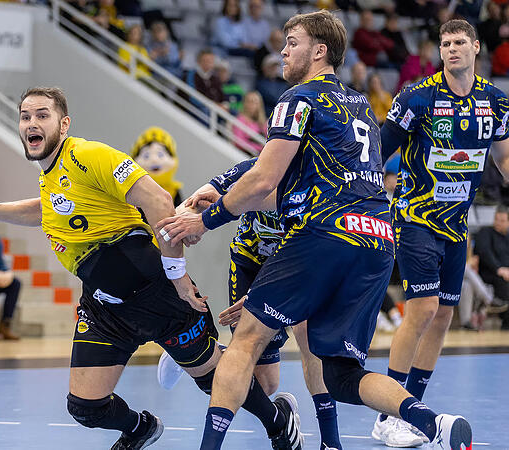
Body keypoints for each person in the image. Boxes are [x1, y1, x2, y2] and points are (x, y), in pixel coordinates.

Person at [157, 11, 474, 449]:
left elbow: (263, 179)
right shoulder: (359, 102)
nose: (282, 51)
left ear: (319, 51)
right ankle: (432, 423)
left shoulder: (298, 98)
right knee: (341, 375)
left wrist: (204, 221)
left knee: (247, 339)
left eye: (292, 42)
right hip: (378, 240)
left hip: (326, 233)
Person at [0, 86, 302, 449]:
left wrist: (177, 276)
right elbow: (46, 207)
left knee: (212, 378)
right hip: (104, 304)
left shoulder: (87, 154)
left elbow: (159, 199)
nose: (31, 123)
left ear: (63, 124)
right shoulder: (52, 173)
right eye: (25, 116)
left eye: (42, 115)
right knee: (85, 407)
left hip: (154, 291)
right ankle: (140, 428)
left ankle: (277, 422)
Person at [373, 19, 509, 446]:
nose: (452, 49)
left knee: (444, 316)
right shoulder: (418, 97)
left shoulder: (494, 102)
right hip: (414, 218)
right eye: (445, 43)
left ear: (476, 48)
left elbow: (504, 159)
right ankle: (386, 415)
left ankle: (409, 407)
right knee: (424, 309)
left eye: (459, 43)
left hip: (456, 225)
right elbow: (378, 148)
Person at [158, 158, 343, 450]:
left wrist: (259, 296)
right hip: (250, 264)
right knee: (263, 384)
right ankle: (195, 352)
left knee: (309, 336)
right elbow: (199, 199)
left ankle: (331, 442)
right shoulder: (252, 170)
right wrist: (183, 224)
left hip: (296, 266)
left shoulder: (318, 181)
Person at [475, 206, 509, 329]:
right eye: (496, 219)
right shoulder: (485, 232)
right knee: (504, 283)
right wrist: (498, 269)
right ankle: (506, 323)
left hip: (506, 272)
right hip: (489, 273)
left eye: (502, 220)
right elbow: (485, 253)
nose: (498, 223)